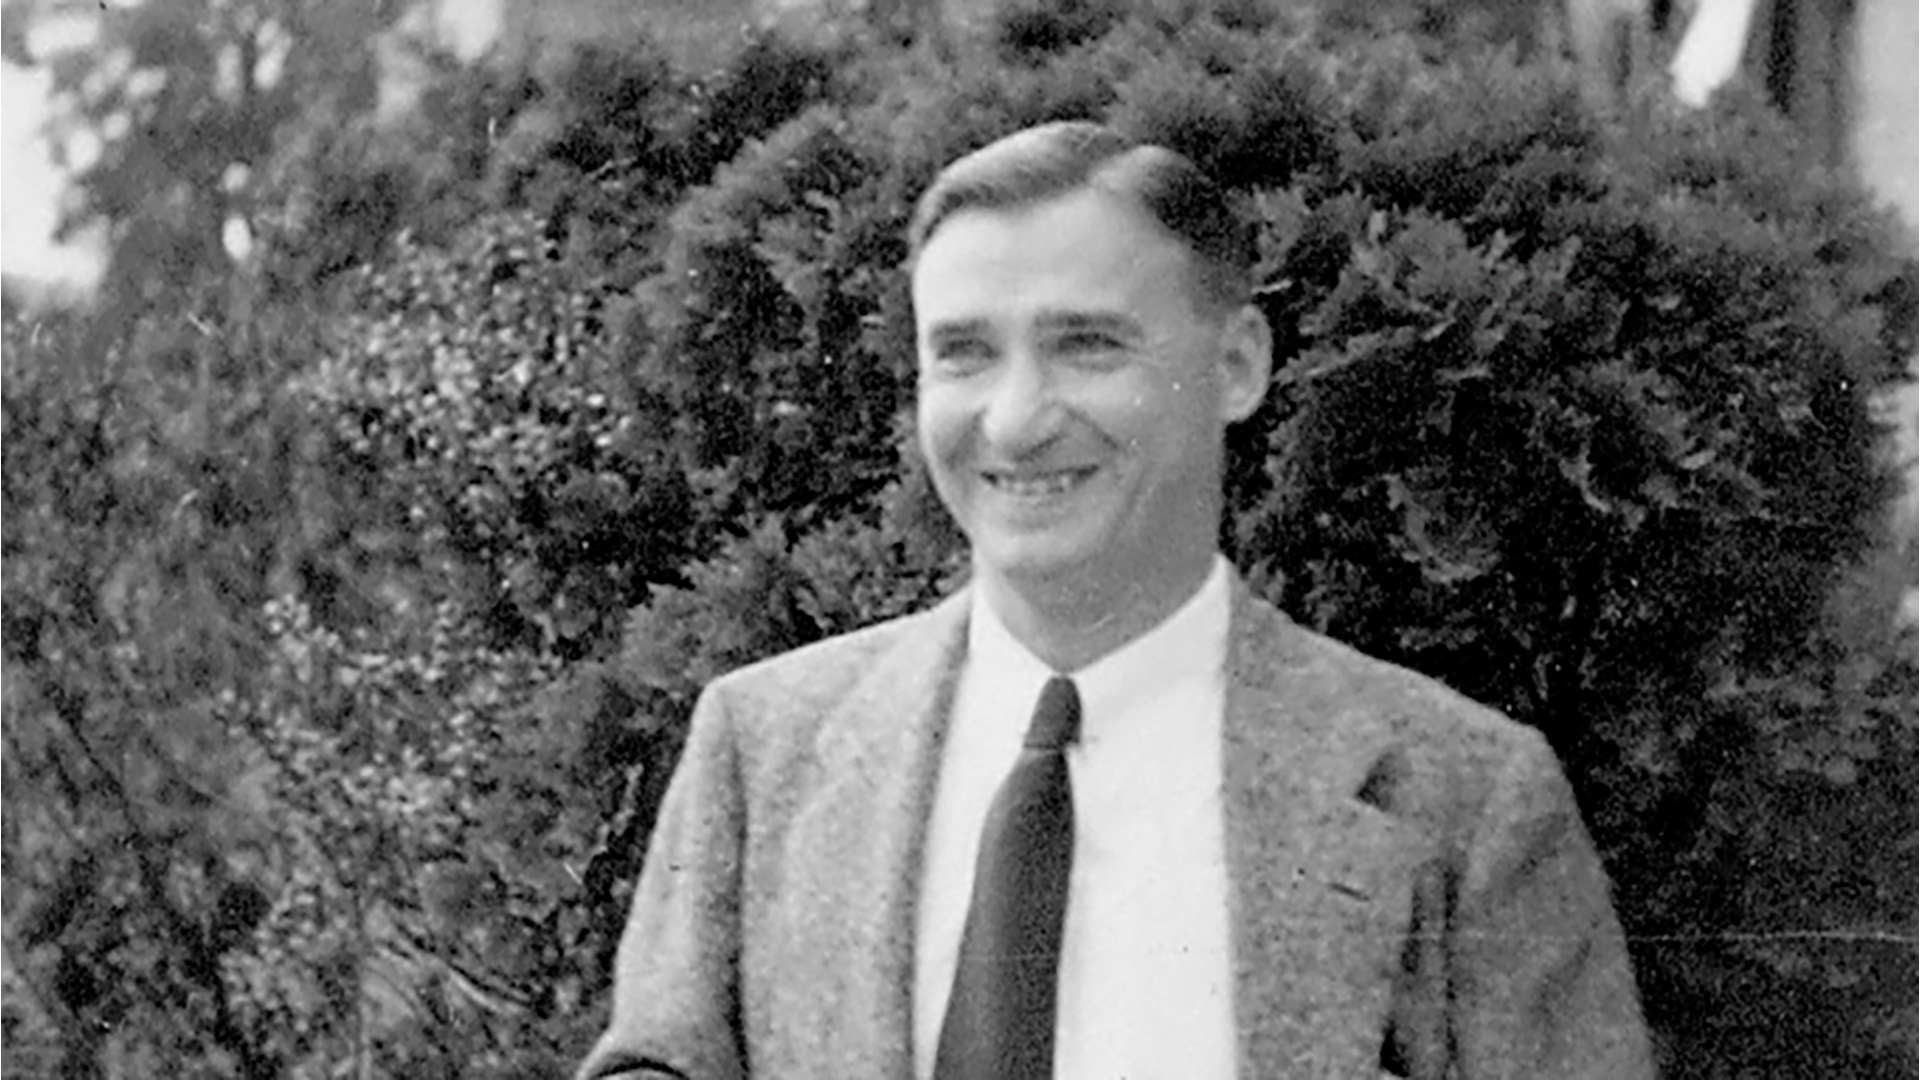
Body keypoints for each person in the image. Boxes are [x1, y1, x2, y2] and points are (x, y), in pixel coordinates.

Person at [577, 121, 1654, 1080]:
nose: (1013, 421)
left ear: (1235, 365)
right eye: (963, 354)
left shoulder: (1463, 803)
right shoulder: (763, 748)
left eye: (1086, 346)